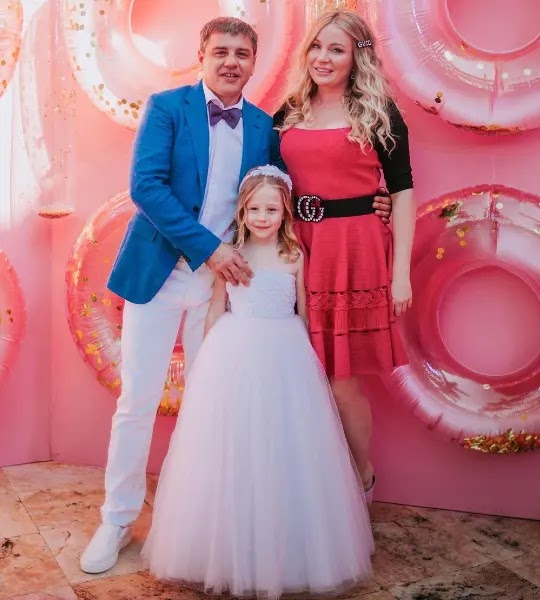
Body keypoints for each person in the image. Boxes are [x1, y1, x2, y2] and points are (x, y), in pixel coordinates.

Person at [80, 16, 391, 574]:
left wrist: (371, 201)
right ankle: (117, 519)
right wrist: (210, 250)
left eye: (242, 54)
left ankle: (213, 526)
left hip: (227, 287)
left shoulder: (266, 126)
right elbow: (146, 187)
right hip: (161, 273)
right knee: (137, 401)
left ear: (253, 63)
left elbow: (293, 188)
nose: (231, 62)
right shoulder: (167, 107)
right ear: (201, 55)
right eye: (221, 51)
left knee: (213, 408)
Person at [142, 165, 374, 598]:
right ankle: (230, 544)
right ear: (242, 211)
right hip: (235, 350)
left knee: (284, 442)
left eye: (271, 209)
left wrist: (310, 361)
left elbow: (304, 310)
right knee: (235, 442)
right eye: (254, 209)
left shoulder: (294, 255)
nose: (262, 217)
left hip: (285, 350)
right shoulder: (231, 254)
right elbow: (217, 308)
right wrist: (205, 361)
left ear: (285, 212)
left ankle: (285, 546)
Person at [274, 9, 416, 502]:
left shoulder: (379, 113)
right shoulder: (289, 111)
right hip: (296, 251)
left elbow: (401, 192)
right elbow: (266, 182)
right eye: (317, 46)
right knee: (299, 375)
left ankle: (362, 478)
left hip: (354, 251)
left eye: (337, 49)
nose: (323, 57)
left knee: (340, 382)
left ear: (358, 57)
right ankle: (311, 487)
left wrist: (401, 275)